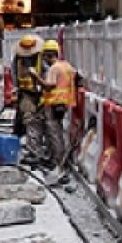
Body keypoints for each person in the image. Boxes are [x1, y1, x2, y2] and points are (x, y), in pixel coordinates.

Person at [31, 38, 77, 178]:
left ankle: (58, 162)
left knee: (54, 134)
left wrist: (36, 77)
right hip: (64, 104)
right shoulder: (67, 66)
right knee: (58, 132)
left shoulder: (54, 68)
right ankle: (57, 159)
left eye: (44, 56)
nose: (44, 59)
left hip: (53, 104)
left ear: (48, 55)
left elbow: (48, 86)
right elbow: (78, 78)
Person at [12, 33, 46, 167]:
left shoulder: (39, 57)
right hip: (28, 94)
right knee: (31, 121)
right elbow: (15, 74)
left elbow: (46, 72)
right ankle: (34, 151)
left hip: (39, 93)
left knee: (37, 122)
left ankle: (35, 150)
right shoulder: (18, 59)